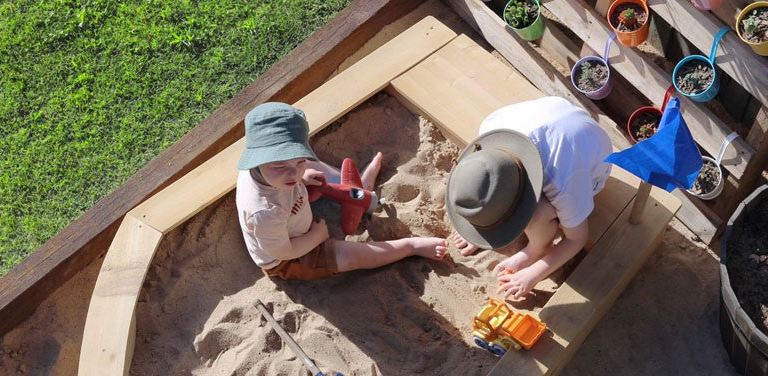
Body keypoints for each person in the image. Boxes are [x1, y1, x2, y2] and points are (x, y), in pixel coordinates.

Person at [236, 102, 447, 281]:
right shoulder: (264, 212)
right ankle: (410, 247)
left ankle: (355, 190)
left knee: (313, 169)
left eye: (299, 160)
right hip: (290, 257)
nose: (293, 172)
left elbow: (291, 168)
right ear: (257, 160)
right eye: (280, 166)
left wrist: (304, 175)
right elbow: (284, 251)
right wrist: (316, 236)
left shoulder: (274, 172)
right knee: (356, 256)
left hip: (291, 212)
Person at [446, 96, 612, 299]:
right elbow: (484, 180)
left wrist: (533, 274)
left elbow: (576, 239)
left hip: (593, 162)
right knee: (483, 187)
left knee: (537, 214)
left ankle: (537, 248)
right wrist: (480, 223)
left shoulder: (562, 182)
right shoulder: (490, 133)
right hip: (555, 119)